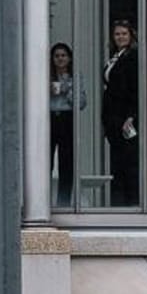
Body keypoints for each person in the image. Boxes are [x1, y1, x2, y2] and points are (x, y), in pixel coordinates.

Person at [101, 19, 141, 207]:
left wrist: (131, 116)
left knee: (128, 162)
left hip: (125, 117)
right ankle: (120, 203)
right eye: (117, 34)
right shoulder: (116, 56)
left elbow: (135, 88)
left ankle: (131, 203)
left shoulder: (132, 57)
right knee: (118, 161)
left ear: (131, 35)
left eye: (124, 33)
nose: (120, 37)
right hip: (112, 116)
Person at [49, 41, 84, 209]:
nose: (60, 59)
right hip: (48, 119)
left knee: (66, 163)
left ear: (69, 58)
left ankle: (63, 203)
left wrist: (67, 89)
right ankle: (41, 203)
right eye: (56, 56)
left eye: (63, 55)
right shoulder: (45, 76)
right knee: (44, 163)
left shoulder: (75, 76)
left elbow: (82, 102)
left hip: (66, 119)